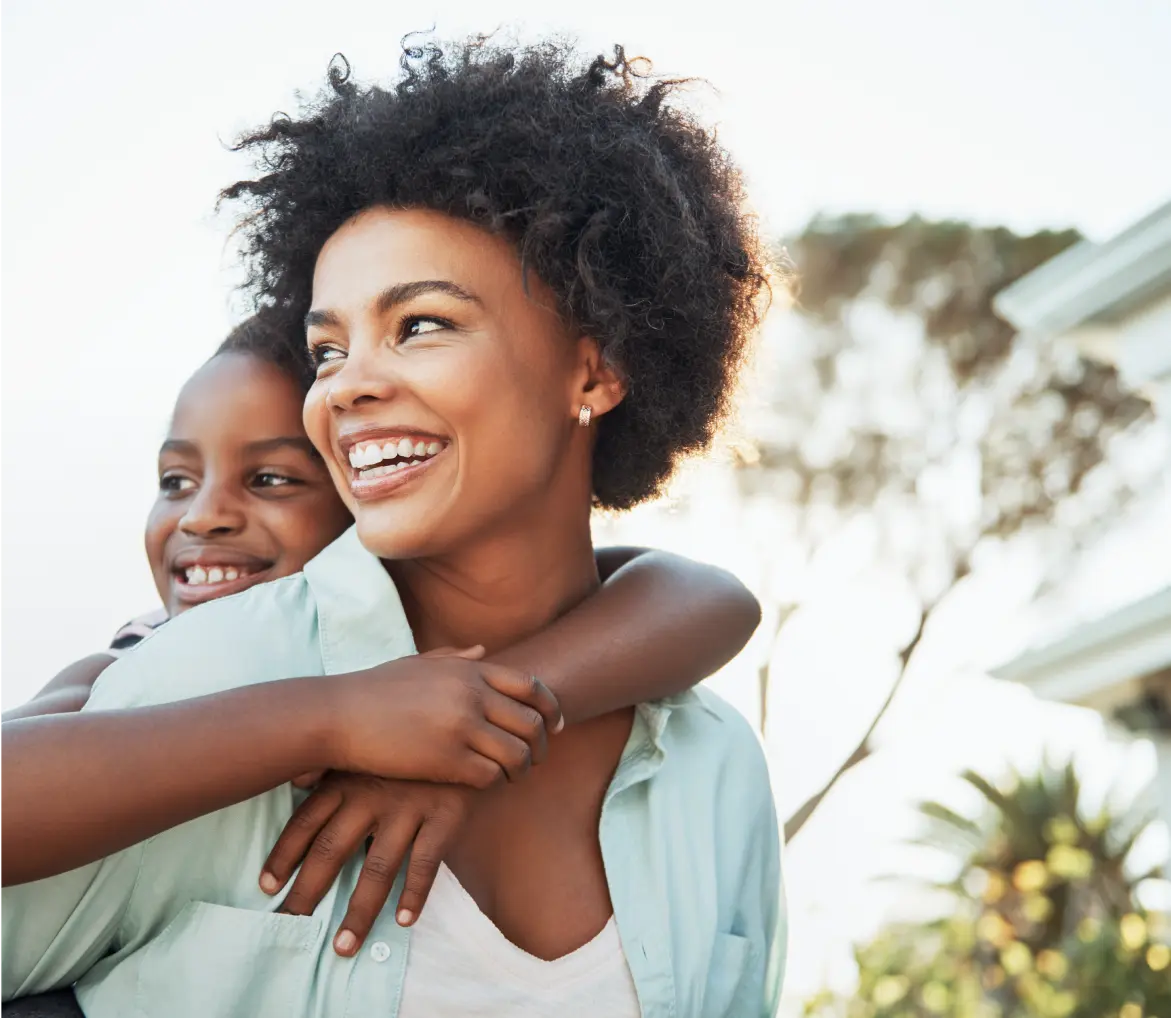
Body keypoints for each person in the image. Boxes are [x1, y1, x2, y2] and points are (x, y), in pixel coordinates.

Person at [0, 37, 784, 1017]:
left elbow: (706, 596)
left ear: (595, 371)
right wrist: (334, 721)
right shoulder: (203, 681)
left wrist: (498, 726)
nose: (350, 384)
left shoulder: (712, 772)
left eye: (420, 324)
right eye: (328, 348)